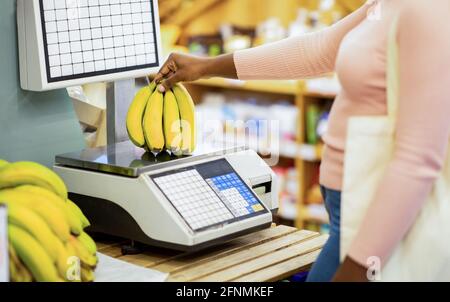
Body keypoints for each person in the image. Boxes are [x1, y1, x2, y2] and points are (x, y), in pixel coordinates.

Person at [154, 0, 450, 281]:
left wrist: (357, 269)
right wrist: (205, 67)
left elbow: (417, 160)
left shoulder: (427, 9)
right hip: (348, 216)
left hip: (372, 223)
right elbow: (320, 50)